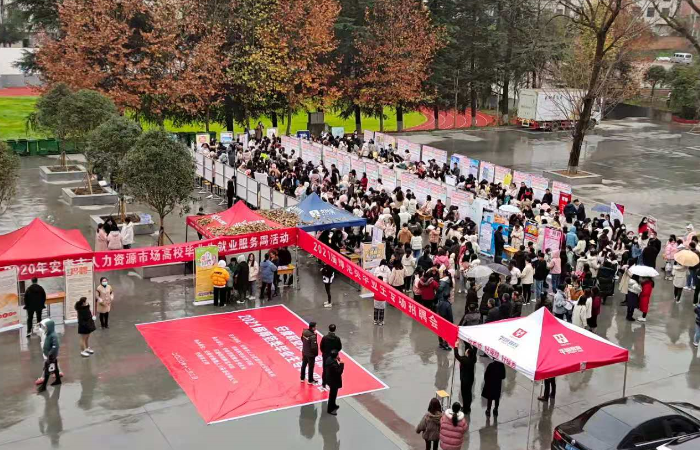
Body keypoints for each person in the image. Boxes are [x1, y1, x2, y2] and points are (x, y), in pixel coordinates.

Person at [37, 318, 61, 392]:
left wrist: (50, 355)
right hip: (49, 355)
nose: (45, 328)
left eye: (46, 327)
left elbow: (55, 347)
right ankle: (58, 380)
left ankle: (44, 386)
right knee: (55, 368)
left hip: (51, 356)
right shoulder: (48, 334)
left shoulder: (53, 336)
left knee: (47, 369)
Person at [454, 344, 477, 413]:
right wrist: (475, 345)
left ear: (468, 353)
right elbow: (474, 350)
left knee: (464, 394)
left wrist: (456, 346)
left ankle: (465, 408)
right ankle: (468, 407)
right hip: (470, 379)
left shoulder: (465, 360)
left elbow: (457, 355)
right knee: (469, 393)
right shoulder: (473, 359)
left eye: (466, 351)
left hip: (465, 380)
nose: (465, 351)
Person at [324, 349, 344, 415]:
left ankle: (333, 405)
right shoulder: (333, 364)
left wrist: (337, 359)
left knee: (334, 394)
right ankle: (330, 409)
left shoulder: (329, 359)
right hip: (333, 381)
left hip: (330, 379)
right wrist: (342, 364)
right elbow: (339, 372)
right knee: (332, 395)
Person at [436, 278, 454, 350]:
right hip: (446, 320)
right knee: (446, 333)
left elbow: (437, 311)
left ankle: (440, 343)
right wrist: (451, 322)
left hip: (440, 319)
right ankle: (445, 344)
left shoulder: (439, 303)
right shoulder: (448, 305)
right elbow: (450, 315)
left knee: (440, 332)